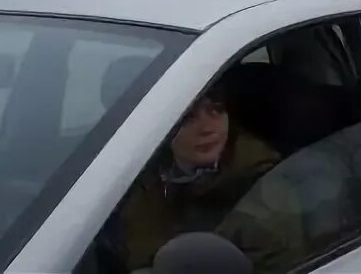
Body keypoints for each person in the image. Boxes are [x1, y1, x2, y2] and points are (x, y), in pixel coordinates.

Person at [112, 78, 305, 274]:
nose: (206, 129)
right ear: (161, 125)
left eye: (216, 110)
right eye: (188, 117)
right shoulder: (136, 175)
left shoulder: (262, 186)